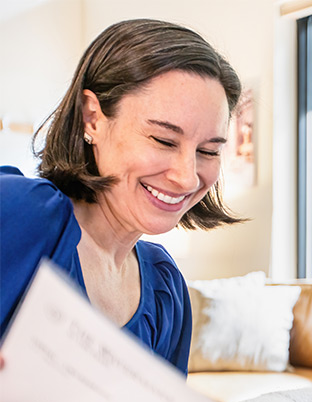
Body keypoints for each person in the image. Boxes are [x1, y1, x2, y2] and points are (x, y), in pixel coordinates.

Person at [0, 19, 243, 375]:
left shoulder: (165, 290)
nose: (187, 175)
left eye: (207, 150)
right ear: (92, 119)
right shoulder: (23, 213)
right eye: (163, 140)